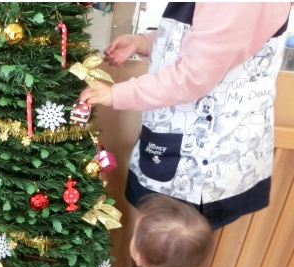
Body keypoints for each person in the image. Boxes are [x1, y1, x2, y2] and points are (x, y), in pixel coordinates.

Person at [80, 2, 291, 231]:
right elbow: (211, 39)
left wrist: (118, 94)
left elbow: (195, 75)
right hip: (183, 148)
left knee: (169, 240)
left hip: (199, 163)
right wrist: (143, 42)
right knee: (163, 240)